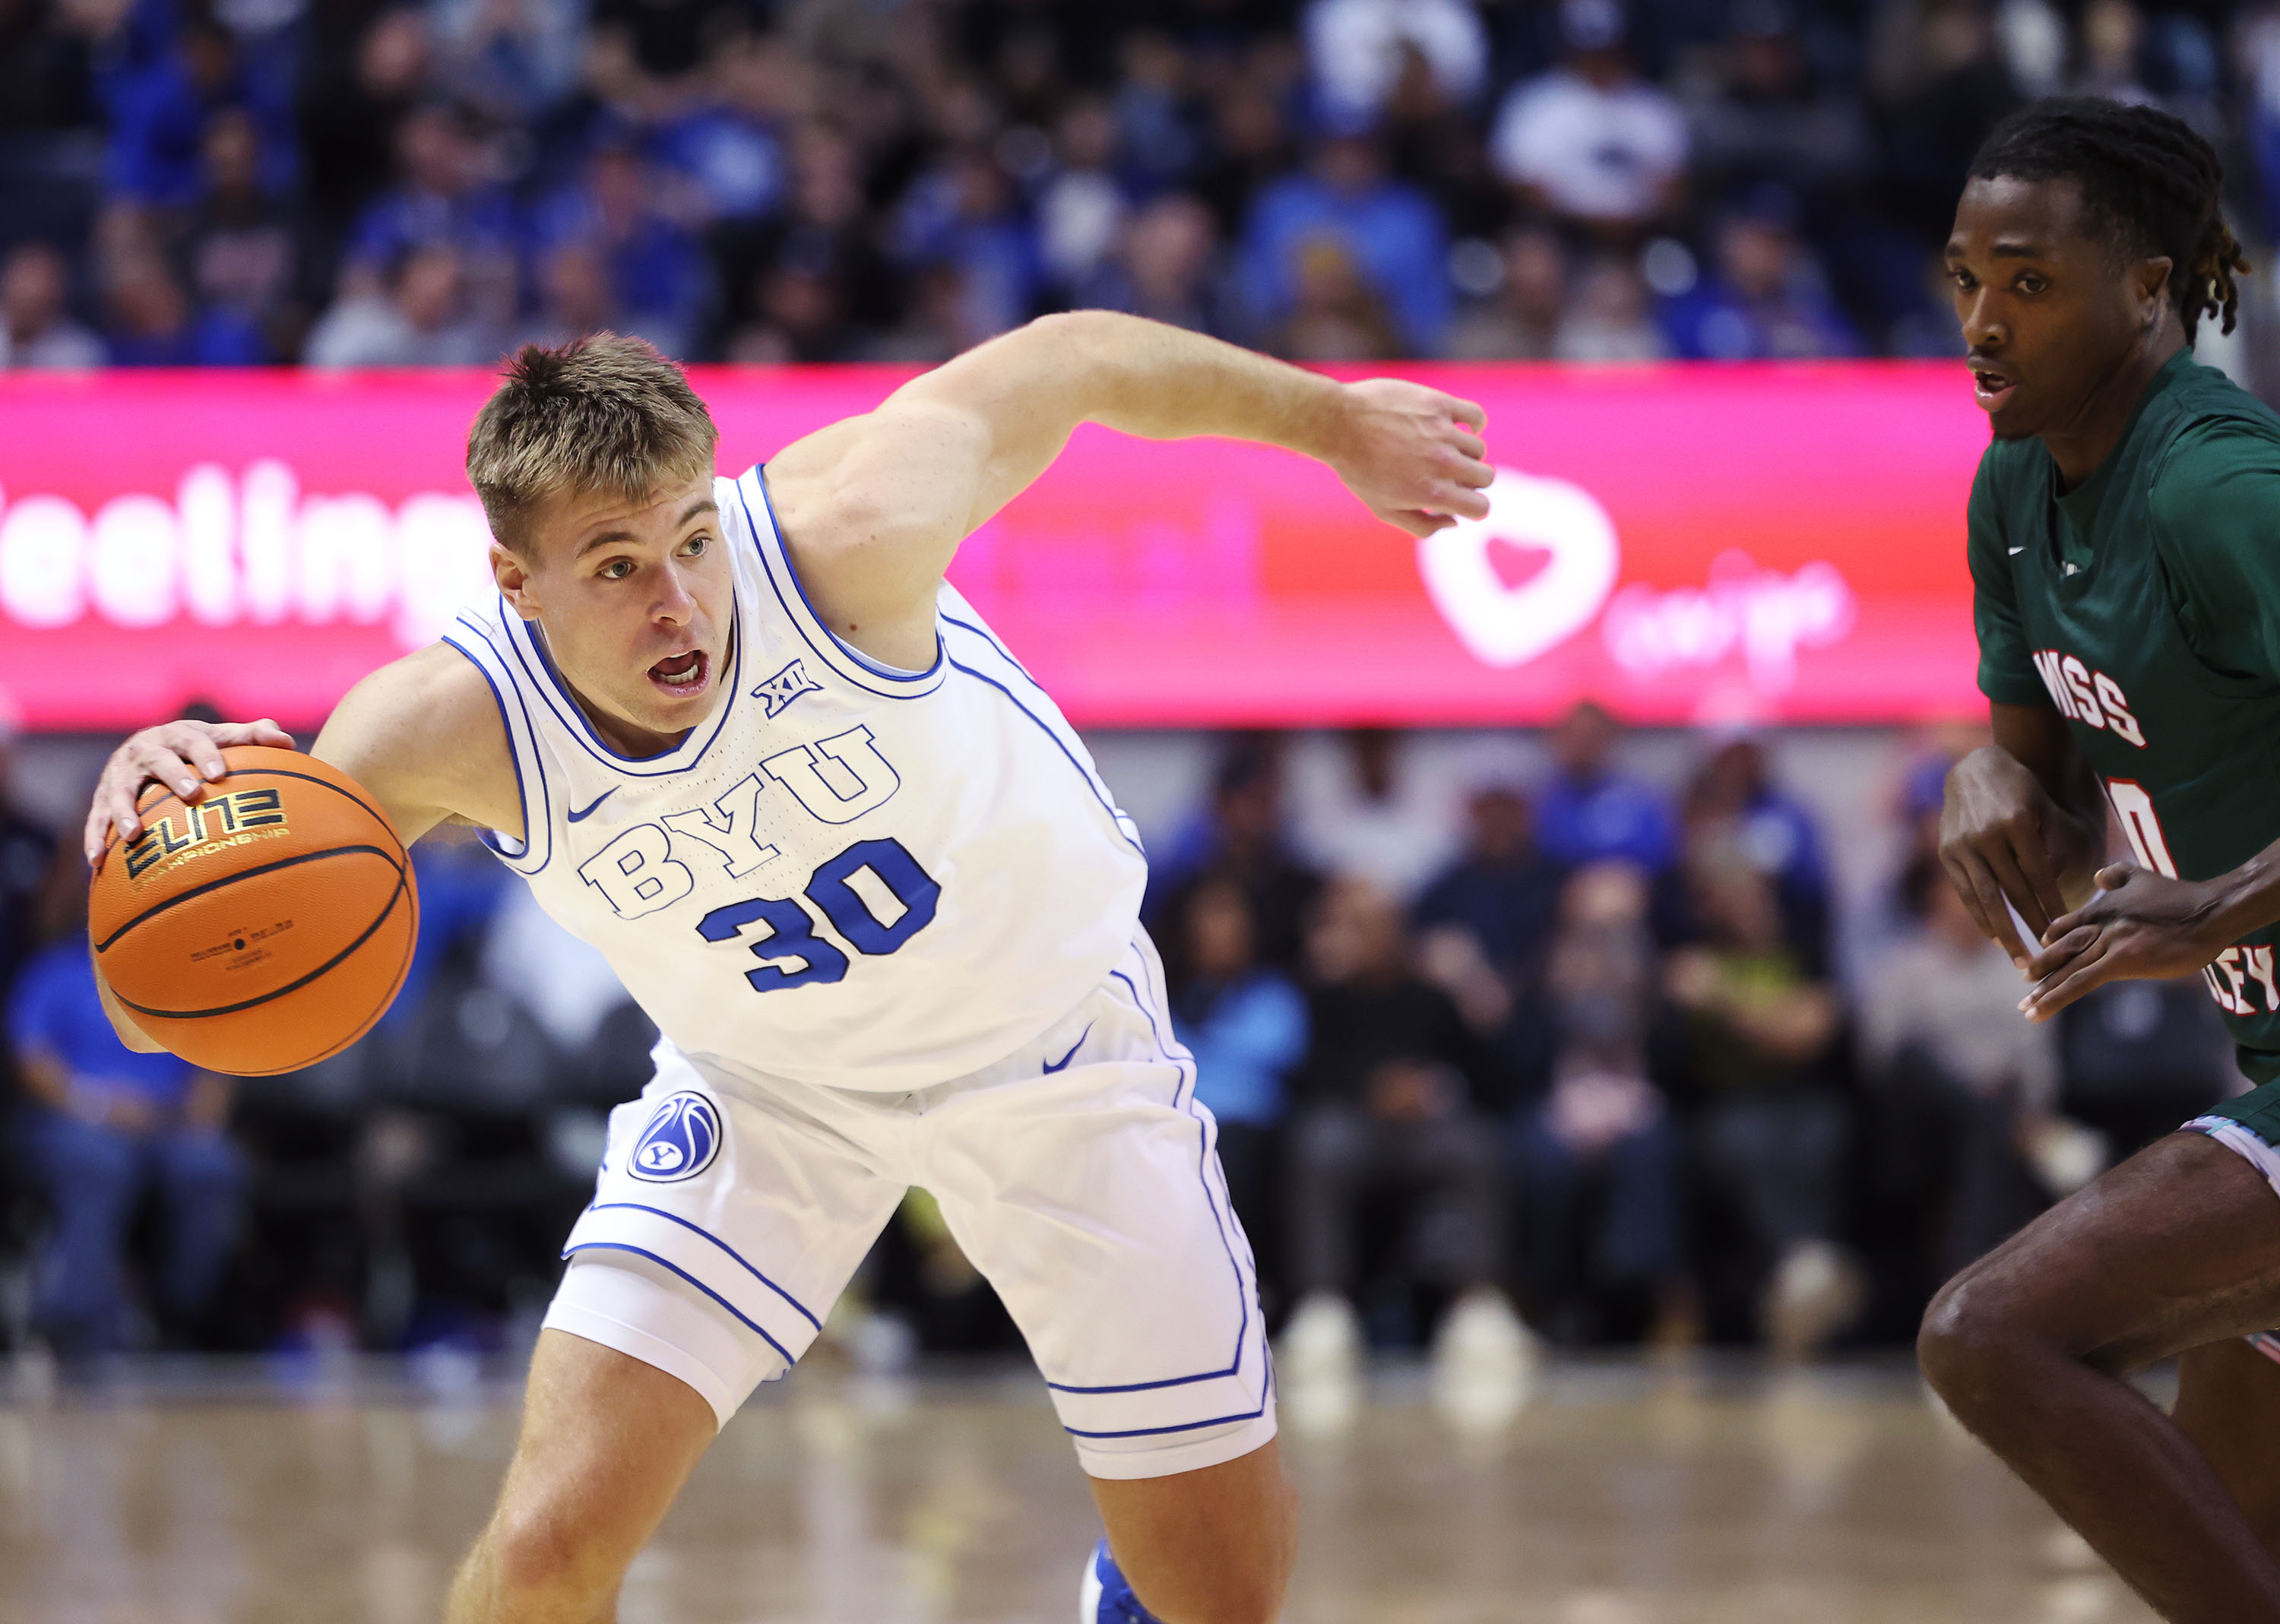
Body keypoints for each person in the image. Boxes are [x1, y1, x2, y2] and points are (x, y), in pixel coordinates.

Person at [81, 319, 1493, 1624]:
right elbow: (175, 990)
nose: (679, 600)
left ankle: (1128, 1570)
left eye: (691, 538)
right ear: (516, 583)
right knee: (546, 1550)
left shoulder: (850, 531)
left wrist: (1337, 426)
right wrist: (155, 828)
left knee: (1224, 1594)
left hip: (1055, 1051)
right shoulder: (446, 726)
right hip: (766, 1097)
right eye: (617, 565)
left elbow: (1076, 360)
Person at [1917, 99, 2280, 1622]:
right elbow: (2047, 789)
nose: (1986, 323)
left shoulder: (2217, 490)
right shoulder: (2014, 495)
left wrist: (2208, 908)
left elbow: (2179, 895)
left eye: (2031, 280)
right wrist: (1982, 775)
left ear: (2149, 290)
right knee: (2226, 1553)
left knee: (1989, 1337)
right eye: (1966, 282)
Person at [1278, 875, 1531, 1434]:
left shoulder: (1433, 996)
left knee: (1476, 1144)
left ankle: (1478, 1302)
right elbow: (1306, 1077)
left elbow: (1485, 1076)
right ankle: (1324, 1307)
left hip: (1426, 1134)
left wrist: (1428, 1088)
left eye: (1376, 922)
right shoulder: (1325, 998)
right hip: (1354, 1130)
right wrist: (1371, 1087)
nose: (1366, 935)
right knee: (1319, 1143)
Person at [10, 845, 244, 1355]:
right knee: (99, 1164)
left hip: (167, 1121)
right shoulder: (57, 968)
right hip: (78, 1118)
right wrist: (95, 1104)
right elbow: (30, 1058)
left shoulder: (182, 968)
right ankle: (74, 1323)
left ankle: (182, 1319)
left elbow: (214, 1061)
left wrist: (205, 1111)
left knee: (211, 1166)